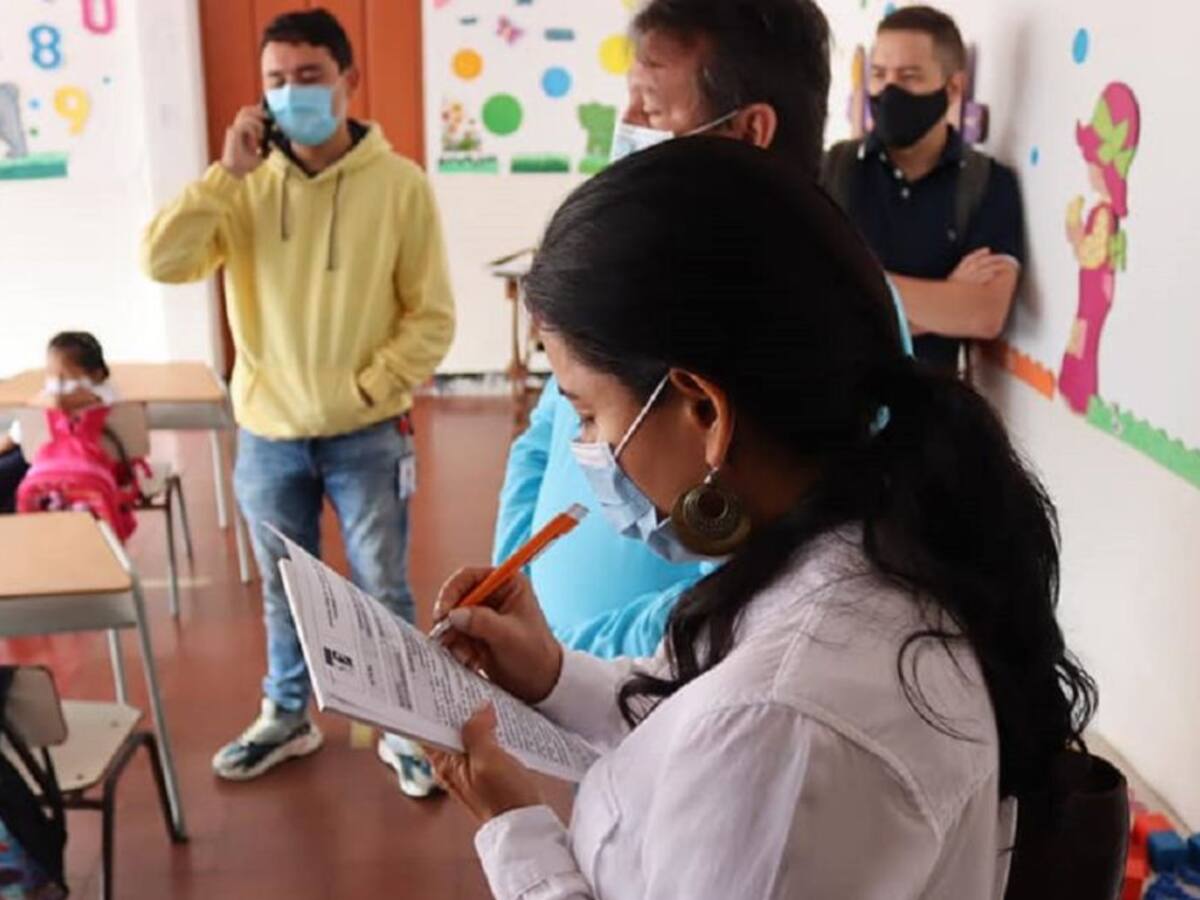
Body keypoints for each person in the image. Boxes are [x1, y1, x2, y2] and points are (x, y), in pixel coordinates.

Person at [426, 137, 1096, 897]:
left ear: (704, 409)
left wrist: (514, 828)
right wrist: (550, 675)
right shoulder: (855, 546)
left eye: (586, 412)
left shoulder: (786, 727)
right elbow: (690, 710)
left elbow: (736, 727)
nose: (586, 449)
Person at [141, 8, 455, 795]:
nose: (292, 93)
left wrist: (366, 388)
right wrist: (225, 176)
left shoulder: (400, 185)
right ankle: (287, 713)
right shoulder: (242, 191)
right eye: (276, 81)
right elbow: (163, 262)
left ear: (348, 81)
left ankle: (404, 724)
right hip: (268, 433)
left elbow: (432, 316)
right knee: (283, 587)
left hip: (366, 433)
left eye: (309, 77)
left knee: (383, 585)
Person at [494, 0, 839, 659]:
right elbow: (544, 441)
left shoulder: (825, 317)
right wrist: (512, 586)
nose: (624, 126)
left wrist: (568, 665)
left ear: (749, 130)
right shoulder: (627, 267)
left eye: (650, 108)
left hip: (653, 699)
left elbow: (762, 578)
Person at [822, 5, 1025, 374]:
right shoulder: (830, 171)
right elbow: (805, 296)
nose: (889, 89)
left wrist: (851, 282)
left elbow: (983, 315)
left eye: (909, 76)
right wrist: (945, 297)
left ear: (953, 88)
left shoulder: (986, 183)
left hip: (931, 418)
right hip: (832, 410)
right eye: (879, 74)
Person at [0, 332, 116, 513]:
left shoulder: (99, 394)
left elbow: (57, 403)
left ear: (96, 374)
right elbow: (18, 433)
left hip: (57, 461)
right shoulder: (96, 391)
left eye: (64, 376)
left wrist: (39, 400)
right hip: (38, 451)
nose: (55, 383)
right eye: (51, 375)